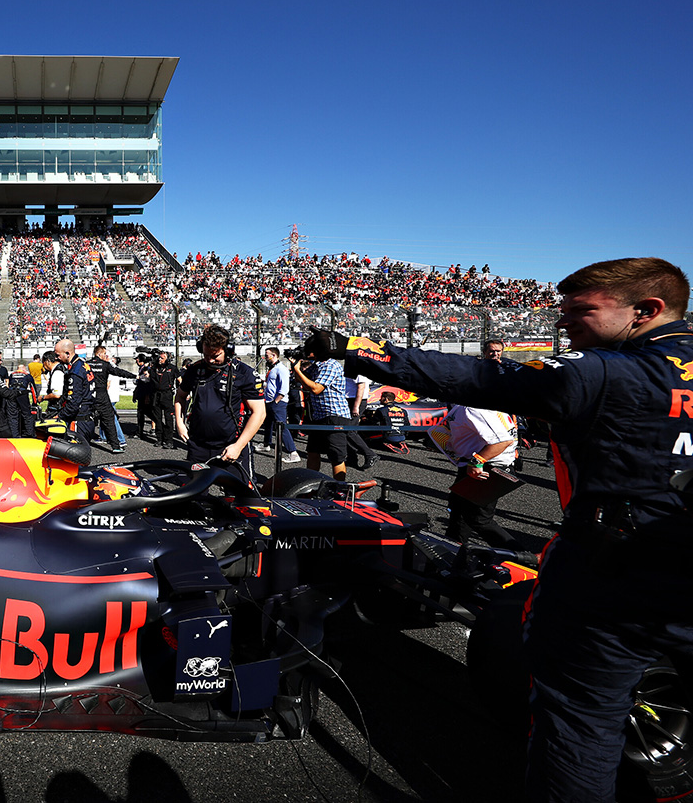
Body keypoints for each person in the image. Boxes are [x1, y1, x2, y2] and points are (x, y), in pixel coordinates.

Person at [305, 257, 693, 802]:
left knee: (580, 725)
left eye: (582, 310)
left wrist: (360, 350)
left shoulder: (610, 371)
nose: (564, 323)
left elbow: (477, 378)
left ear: (645, 311)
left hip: (614, 583)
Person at [174, 324, 266, 483]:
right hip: (198, 446)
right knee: (195, 496)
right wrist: (179, 423)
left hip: (231, 445)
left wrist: (238, 446)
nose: (210, 359)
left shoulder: (244, 373)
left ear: (228, 350)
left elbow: (259, 413)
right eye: (206, 354)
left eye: (215, 355)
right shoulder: (194, 370)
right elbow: (180, 396)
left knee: (242, 498)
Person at [433, 402, 524, 549]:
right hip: (478, 465)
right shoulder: (473, 405)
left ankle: (525, 559)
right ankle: (451, 553)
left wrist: (477, 462)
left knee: (479, 519)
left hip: (487, 467)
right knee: (459, 513)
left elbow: (502, 441)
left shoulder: (474, 407)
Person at [292, 343, 351, 481]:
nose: (307, 353)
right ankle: (310, 483)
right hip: (319, 416)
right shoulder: (317, 365)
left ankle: (339, 488)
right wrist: (296, 367)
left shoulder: (330, 365)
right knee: (313, 452)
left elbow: (316, 389)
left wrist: (298, 370)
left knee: (336, 456)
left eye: (309, 351)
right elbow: (299, 379)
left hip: (335, 415)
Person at [87, 346, 135, 453]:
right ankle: (116, 446)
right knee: (109, 421)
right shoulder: (105, 365)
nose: (106, 356)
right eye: (104, 354)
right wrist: (134, 376)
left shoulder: (86, 365)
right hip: (102, 396)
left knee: (84, 419)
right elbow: (119, 372)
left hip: (89, 396)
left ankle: (82, 442)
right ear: (99, 354)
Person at [261, 347, 301, 463]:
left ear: (274, 355)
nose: (265, 356)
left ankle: (292, 452)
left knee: (281, 426)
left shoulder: (281, 369)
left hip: (277, 402)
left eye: (267, 354)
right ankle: (266, 444)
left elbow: (284, 388)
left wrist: (276, 401)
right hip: (269, 401)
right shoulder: (273, 368)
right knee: (268, 423)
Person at [53, 339, 92, 437]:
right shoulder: (83, 364)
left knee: (75, 450)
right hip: (88, 415)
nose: (57, 358)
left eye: (58, 355)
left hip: (80, 420)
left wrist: (60, 416)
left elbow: (74, 401)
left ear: (67, 353)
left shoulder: (75, 372)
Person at [151, 349, 178, 449]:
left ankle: (169, 440)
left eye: (162, 358)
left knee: (168, 419)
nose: (160, 359)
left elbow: (180, 380)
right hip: (156, 395)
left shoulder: (172, 368)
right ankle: (159, 438)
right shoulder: (154, 368)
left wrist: (182, 393)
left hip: (167, 395)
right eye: (159, 357)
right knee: (157, 418)